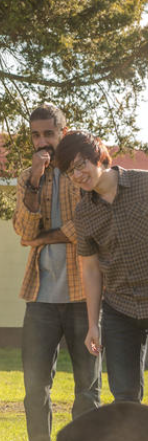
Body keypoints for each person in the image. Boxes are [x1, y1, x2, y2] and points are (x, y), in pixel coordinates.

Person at [12, 105, 101, 441]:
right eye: (35, 135)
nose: (42, 141)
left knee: (87, 389)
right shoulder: (28, 178)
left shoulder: (80, 175)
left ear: (63, 133)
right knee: (35, 387)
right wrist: (35, 177)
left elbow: (86, 226)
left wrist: (44, 238)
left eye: (49, 134)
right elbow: (22, 231)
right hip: (40, 298)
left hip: (84, 295)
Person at [56, 131, 148, 403]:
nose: (78, 175)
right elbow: (90, 270)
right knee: (124, 397)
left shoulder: (144, 185)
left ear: (98, 156)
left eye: (81, 164)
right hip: (120, 309)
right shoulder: (83, 214)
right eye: (70, 171)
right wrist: (93, 324)